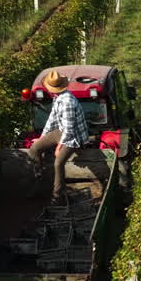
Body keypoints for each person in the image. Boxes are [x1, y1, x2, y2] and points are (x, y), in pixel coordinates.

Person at [29, 70, 90, 204]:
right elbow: (52, 120)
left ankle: (58, 197)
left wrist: (59, 147)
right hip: (61, 131)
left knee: (58, 163)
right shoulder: (57, 97)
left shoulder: (67, 102)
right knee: (34, 148)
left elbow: (69, 130)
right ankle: (42, 179)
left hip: (74, 136)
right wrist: (42, 137)